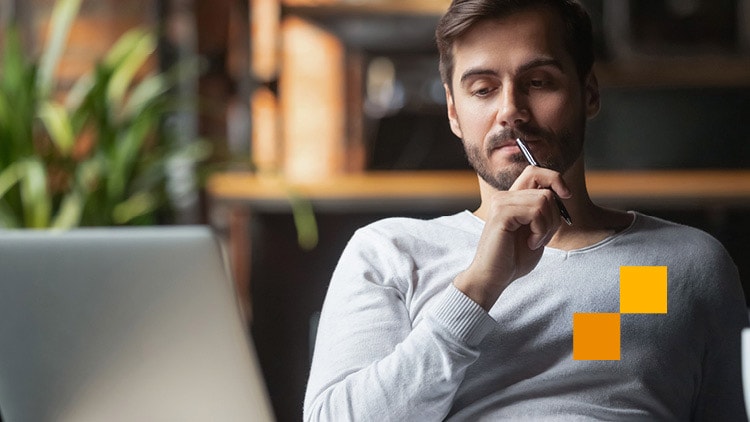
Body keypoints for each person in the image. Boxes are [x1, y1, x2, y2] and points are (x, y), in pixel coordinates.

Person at [303, 0, 749, 420]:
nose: (510, 111)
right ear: (454, 112)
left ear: (588, 93)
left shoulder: (684, 263)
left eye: (538, 82)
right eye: (483, 89)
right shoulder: (391, 254)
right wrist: (476, 288)